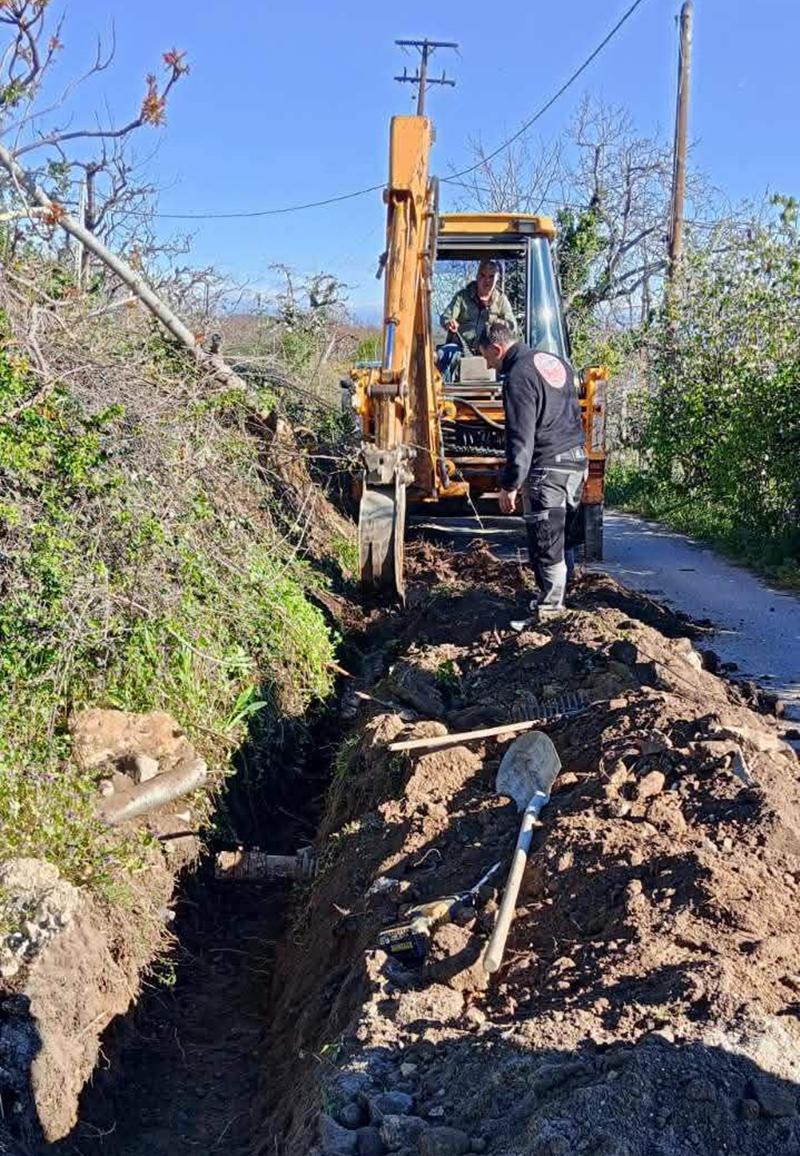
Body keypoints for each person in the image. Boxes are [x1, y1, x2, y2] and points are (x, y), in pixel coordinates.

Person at [478, 321, 587, 618]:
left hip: (547, 468)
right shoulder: (557, 363)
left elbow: (520, 436)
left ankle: (551, 610)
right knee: (563, 536)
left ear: (498, 349)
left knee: (546, 539)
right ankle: (560, 601)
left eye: (487, 357)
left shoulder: (518, 376)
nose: (488, 365)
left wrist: (510, 483)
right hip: (577, 460)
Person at [439, 259, 517, 354]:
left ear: (497, 279)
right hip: (461, 350)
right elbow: (446, 317)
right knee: (444, 354)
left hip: (489, 352)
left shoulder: (501, 300)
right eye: (483, 275)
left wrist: (496, 323)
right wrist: (449, 323)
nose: (487, 280)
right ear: (477, 276)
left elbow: (512, 326)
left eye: (491, 276)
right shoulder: (462, 296)